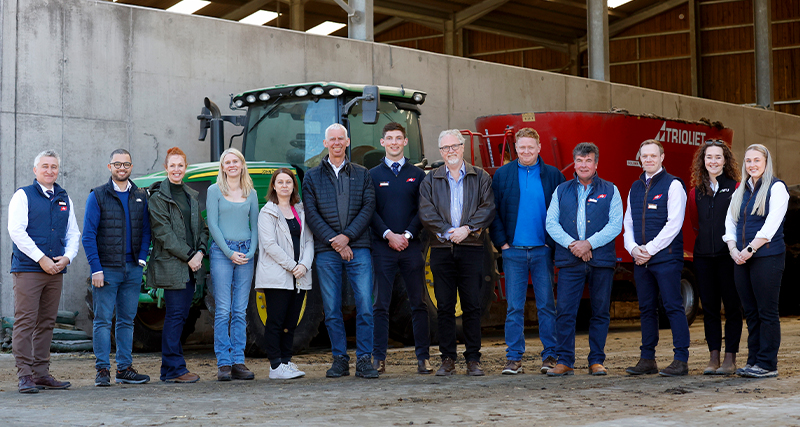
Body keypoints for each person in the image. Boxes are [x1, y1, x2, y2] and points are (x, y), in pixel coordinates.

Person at [302, 123, 379, 379]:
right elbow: (311, 214)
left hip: (358, 248)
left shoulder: (363, 174)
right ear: (325, 144)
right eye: (331, 139)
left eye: (340, 139)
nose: (336, 143)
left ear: (347, 142)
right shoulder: (311, 177)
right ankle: (339, 360)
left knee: (365, 306)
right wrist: (334, 240)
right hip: (327, 250)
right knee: (332, 308)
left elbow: (368, 208)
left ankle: (365, 360)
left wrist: (347, 238)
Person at [419, 129, 495, 376]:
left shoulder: (480, 177)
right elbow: (426, 211)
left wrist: (467, 229)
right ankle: (447, 359)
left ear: (462, 147)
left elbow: (487, 207)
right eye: (445, 148)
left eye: (454, 146)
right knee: (444, 306)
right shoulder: (431, 180)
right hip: (441, 249)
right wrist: (448, 231)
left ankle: (473, 359)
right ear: (440, 152)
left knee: (472, 305)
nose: (450, 151)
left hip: (472, 247)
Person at [489, 127, 565, 375]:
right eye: (521, 147)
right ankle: (513, 358)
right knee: (514, 307)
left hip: (542, 251)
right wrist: (503, 244)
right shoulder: (502, 175)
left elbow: (563, 212)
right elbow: (494, 212)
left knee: (546, 305)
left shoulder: (553, 175)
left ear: (539, 148)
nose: (526, 151)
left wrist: (550, 244)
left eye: (530, 147)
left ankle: (550, 356)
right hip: (514, 252)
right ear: (516, 149)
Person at [544, 143, 622, 376]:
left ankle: (596, 360)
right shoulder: (560, 190)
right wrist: (574, 245)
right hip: (570, 260)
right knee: (566, 311)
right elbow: (551, 223)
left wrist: (589, 244)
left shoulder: (611, 190)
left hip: (601, 261)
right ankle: (565, 360)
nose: (584, 165)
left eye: (588, 160)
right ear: (574, 164)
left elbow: (615, 225)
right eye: (579, 160)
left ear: (596, 164)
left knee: (600, 311)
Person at [8, 150, 80, 393]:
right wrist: (41, 259)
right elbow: (16, 231)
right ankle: (25, 375)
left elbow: (73, 233)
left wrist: (68, 257)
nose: (50, 171)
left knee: (47, 322)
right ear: (35, 170)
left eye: (54, 167)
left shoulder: (63, 198)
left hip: (56, 271)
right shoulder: (23, 195)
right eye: (45, 166)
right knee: (26, 321)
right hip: (29, 269)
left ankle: (41, 374)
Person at [82, 149, 152, 387]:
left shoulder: (141, 195)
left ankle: (124, 369)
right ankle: (102, 370)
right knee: (102, 320)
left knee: (127, 321)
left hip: (132, 269)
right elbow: (88, 236)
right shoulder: (98, 196)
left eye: (127, 164)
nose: (122, 168)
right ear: (109, 166)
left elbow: (146, 231)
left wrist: (141, 259)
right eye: (117, 164)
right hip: (107, 270)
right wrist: (96, 269)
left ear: (131, 167)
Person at [623, 139, 691, 377]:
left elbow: (674, 224)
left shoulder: (673, 185)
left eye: (653, 155)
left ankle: (681, 359)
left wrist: (649, 250)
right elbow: (628, 222)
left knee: (673, 306)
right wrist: (632, 248)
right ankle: (647, 359)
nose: (649, 159)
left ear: (662, 157)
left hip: (666, 258)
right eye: (644, 156)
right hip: (641, 259)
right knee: (646, 309)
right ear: (639, 159)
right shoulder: (635, 186)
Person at [369, 123, 432, 375]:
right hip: (383, 247)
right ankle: (378, 358)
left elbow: (423, 210)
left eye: (398, 138)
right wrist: (388, 235)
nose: (394, 142)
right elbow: (369, 210)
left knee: (419, 303)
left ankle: (423, 358)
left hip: (410, 246)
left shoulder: (418, 175)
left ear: (405, 142)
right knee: (380, 304)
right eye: (389, 138)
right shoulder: (372, 175)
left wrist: (406, 235)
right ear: (382, 142)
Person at [723, 144, 788, 378]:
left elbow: (771, 225)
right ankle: (753, 361)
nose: (752, 165)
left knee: (766, 312)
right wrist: (733, 249)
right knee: (750, 312)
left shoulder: (777, 188)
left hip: (767, 256)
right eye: (748, 161)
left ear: (766, 162)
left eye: (757, 160)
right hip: (741, 257)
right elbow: (730, 221)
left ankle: (768, 364)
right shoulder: (740, 190)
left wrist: (749, 249)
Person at [147, 147, 209, 383]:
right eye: (172, 165)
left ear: (186, 168)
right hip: (173, 265)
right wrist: (190, 255)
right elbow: (164, 234)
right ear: (166, 168)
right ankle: (174, 369)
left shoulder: (191, 196)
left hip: (192, 265)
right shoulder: (158, 198)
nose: (176, 169)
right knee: (175, 316)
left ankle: (168, 369)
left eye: (180, 165)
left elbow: (202, 229)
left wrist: (201, 251)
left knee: (181, 316)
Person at [687, 140, 743, 375]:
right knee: (709, 308)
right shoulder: (695, 192)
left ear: (725, 160)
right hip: (703, 258)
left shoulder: (737, 188)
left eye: (718, 157)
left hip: (728, 257)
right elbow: (694, 224)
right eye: (709, 157)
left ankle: (730, 358)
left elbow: (741, 222)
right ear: (703, 161)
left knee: (732, 307)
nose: (713, 161)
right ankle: (713, 358)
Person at [256, 168, 314, 380]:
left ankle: (287, 361)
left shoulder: (300, 211)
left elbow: (308, 241)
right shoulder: (267, 213)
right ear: (273, 186)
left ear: (293, 186)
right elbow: (269, 245)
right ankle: (275, 366)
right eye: (279, 182)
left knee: (291, 322)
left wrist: (304, 266)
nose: (284, 186)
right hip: (278, 275)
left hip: (299, 275)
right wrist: (293, 266)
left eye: (288, 182)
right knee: (276, 321)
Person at [206, 148, 258, 381]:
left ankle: (238, 360)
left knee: (240, 310)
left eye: (235, 161)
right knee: (223, 310)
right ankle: (224, 363)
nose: (232, 165)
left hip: (246, 251)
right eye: (227, 162)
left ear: (242, 164)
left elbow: (255, 226)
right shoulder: (214, 190)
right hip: (222, 252)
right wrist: (229, 252)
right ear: (223, 167)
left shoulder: (251, 192)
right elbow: (213, 225)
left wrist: (251, 251)